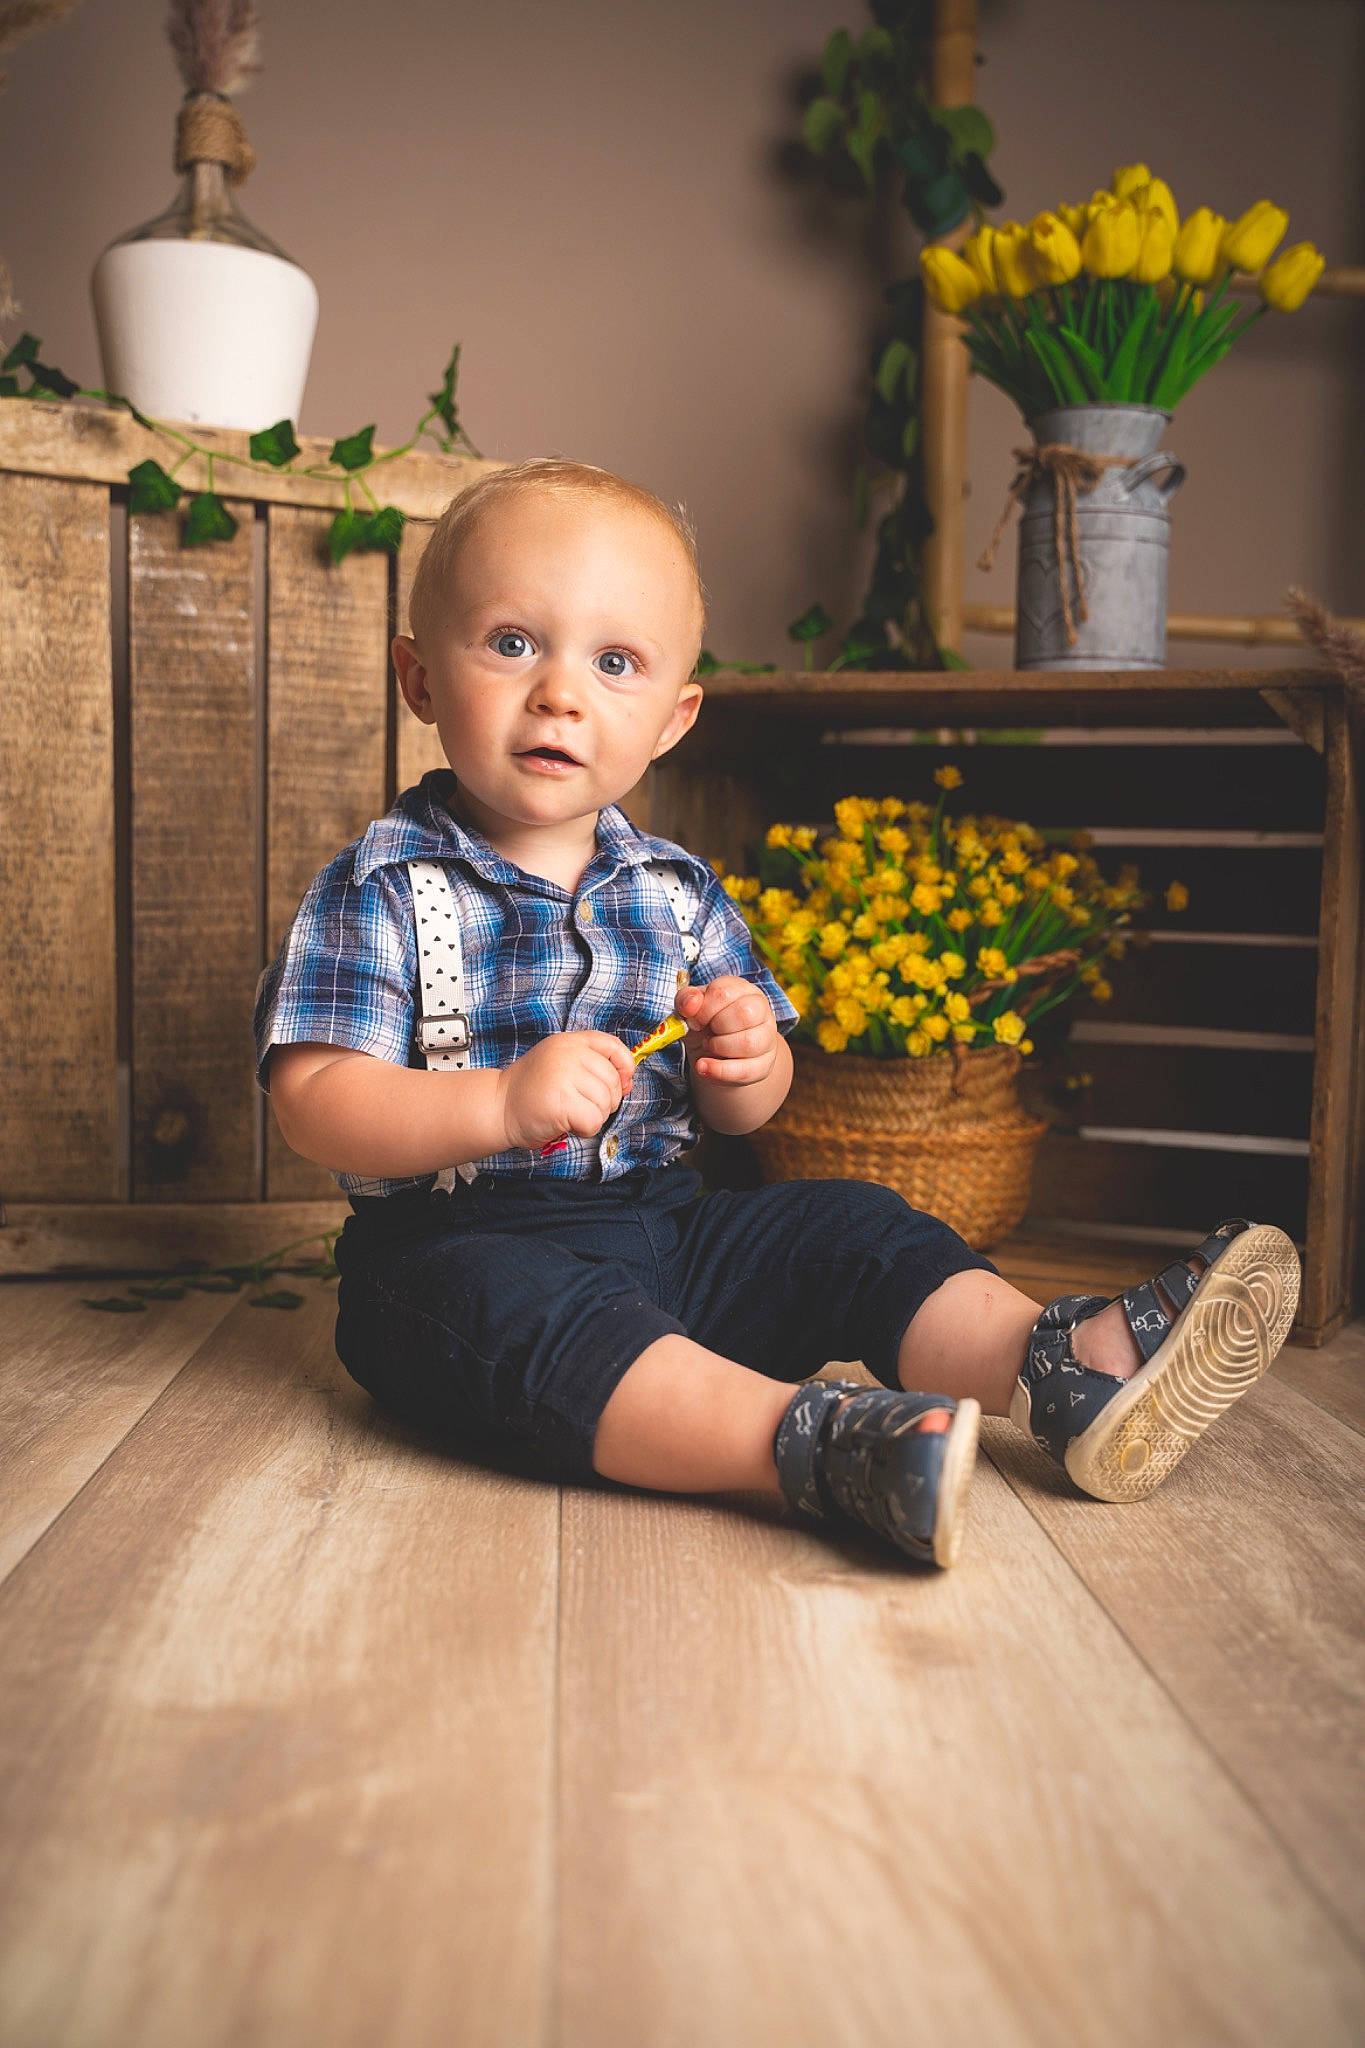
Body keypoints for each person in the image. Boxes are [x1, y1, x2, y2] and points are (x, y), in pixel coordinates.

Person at [252, 457, 1301, 1571]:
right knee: (542, 1326)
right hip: (454, 1252)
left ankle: (1060, 1364)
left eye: (615, 662)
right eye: (513, 642)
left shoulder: (676, 889)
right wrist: (501, 1100)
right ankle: (810, 1445)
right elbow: (315, 1103)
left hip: (665, 1227)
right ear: (418, 677)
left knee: (849, 1224)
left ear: (672, 716)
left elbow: (749, 1119)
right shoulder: (381, 886)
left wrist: (744, 1061)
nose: (561, 691)